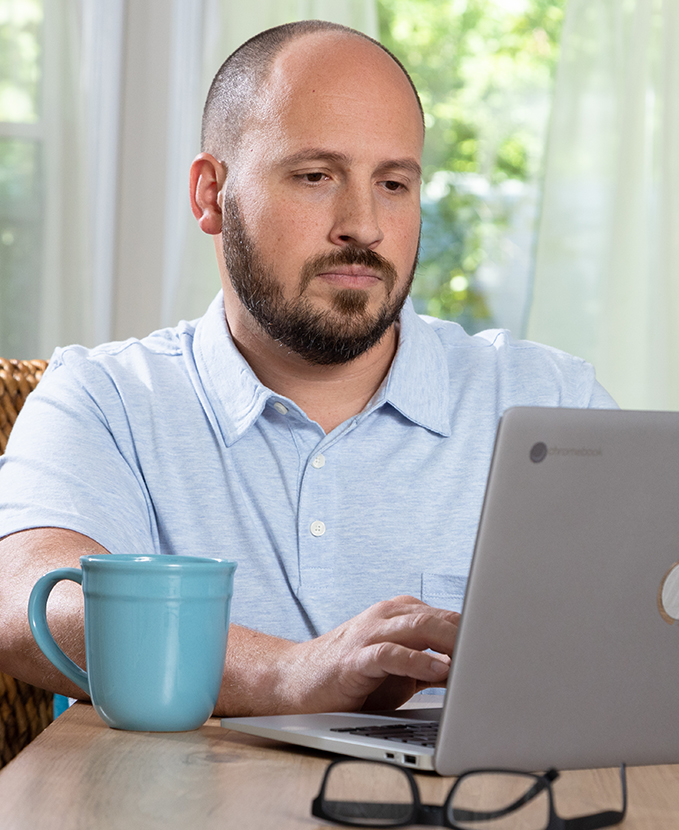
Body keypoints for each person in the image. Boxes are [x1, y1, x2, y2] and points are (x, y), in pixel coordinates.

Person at [0, 20, 615, 716]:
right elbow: (27, 606)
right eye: (316, 176)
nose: (364, 225)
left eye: (393, 183)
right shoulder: (104, 399)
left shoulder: (552, 401)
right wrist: (289, 674)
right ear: (211, 195)